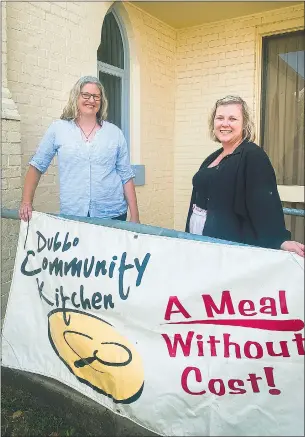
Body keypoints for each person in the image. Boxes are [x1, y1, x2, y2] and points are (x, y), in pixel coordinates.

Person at [185, 95, 304, 257]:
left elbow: (264, 202)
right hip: (198, 235)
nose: (225, 123)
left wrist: (279, 240)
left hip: (226, 244)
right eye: (220, 118)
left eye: (232, 118)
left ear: (244, 124)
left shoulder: (253, 156)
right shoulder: (212, 157)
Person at [19, 76, 139, 224]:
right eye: (86, 95)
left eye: (96, 96)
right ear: (76, 97)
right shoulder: (58, 129)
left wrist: (135, 216)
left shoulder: (115, 133)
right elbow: (37, 166)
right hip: (73, 216)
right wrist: (26, 202)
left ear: (101, 101)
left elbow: (126, 176)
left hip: (112, 215)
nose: (91, 100)